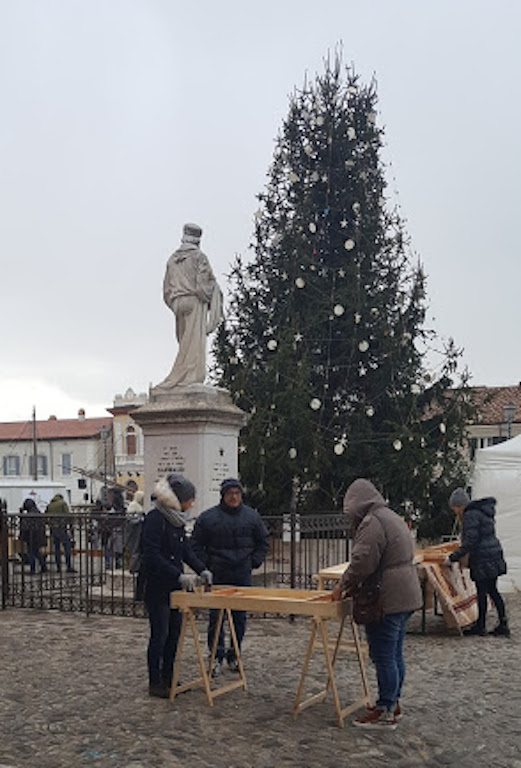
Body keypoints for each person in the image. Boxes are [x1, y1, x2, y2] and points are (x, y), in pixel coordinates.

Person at [333, 478, 422, 730]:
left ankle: (385, 709)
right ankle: (393, 702)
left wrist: (343, 585)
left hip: (387, 598)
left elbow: (362, 562)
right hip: (404, 594)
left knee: (383, 655)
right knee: (393, 654)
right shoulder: (390, 516)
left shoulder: (373, 522)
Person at [142, 474, 213, 698]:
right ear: (178, 499)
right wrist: (177, 575)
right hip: (157, 585)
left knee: (174, 635)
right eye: (189, 499)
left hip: (175, 587)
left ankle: (169, 676)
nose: (192, 503)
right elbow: (151, 554)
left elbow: (186, 551)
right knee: (160, 635)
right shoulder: (155, 519)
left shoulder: (177, 521)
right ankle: (155, 681)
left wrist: (201, 569)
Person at [191, 478, 269, 676]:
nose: (234, 497)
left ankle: (234, 654)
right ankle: (215, 656)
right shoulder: (208, 518)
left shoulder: (252, 517)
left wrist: (254, 561)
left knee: (239, 618)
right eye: (230, 493)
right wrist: (206, 565)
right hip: (218, 573)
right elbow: (196, 545)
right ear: (223, 495)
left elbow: (263, 541)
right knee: (216, 619)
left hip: (242, 572)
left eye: (237, 493)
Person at [157, 222, 223, 388]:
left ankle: (180, 376)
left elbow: (166, 288)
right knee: (193, 343)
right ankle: (189, 377)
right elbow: (202, 285)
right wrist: (212, 291)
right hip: (194, 301)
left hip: (178, 302)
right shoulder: (199, 257)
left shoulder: (172, 259)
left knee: (184, 342)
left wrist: (173, 302)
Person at [446, 488, 509, 637]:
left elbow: (470, 541)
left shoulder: (470, 515)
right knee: (492, 590)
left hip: (483, 557)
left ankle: (481, 625)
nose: (454, 511)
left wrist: (452, 557)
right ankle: (503, 623)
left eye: (454, 507)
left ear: (460, 505)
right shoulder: (482, 512)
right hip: (492, 553)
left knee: (482, 591)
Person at [45, 494, 76, 573]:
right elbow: (67, 515)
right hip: (62, 528)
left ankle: (58, 567)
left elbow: (46, 516)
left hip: (53, 529)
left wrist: (50, 524)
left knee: (57, 549)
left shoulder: (50, 505)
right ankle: (68, 566)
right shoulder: (63, 503)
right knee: (67, 547)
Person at [20, 498, 47, 575]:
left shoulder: (27, 515)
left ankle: (33, 569)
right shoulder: (38, 513)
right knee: (37, 552)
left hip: (30, 536)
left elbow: (24, 527)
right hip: (39, 536)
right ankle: (43, 566)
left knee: (31, 553)